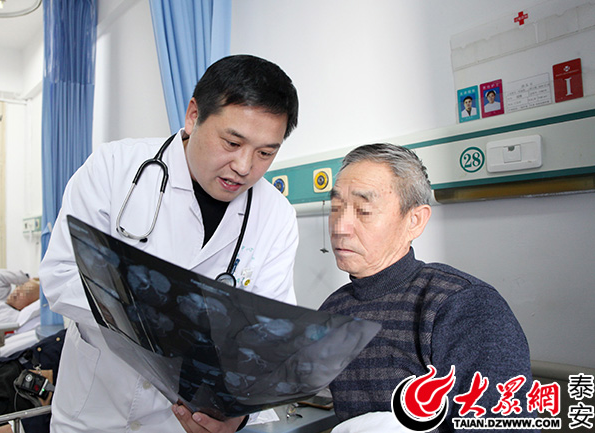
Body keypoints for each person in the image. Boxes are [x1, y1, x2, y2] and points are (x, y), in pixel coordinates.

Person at [39, 54, 300, 433]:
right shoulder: (113, 168)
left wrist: (239, 415)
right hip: (93, 412)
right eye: (232, 142)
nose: (245, 167)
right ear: (193, 116)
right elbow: (61, 275)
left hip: (185, 422)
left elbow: (266, 336)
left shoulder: (276, 216)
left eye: (265, 153)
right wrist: (152, 313)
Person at [320, 144, 535, 431]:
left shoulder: (463, 305)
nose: (340, 227)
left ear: (414, 221)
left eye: (364, 210)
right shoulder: (333, 309)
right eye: (336, 208)